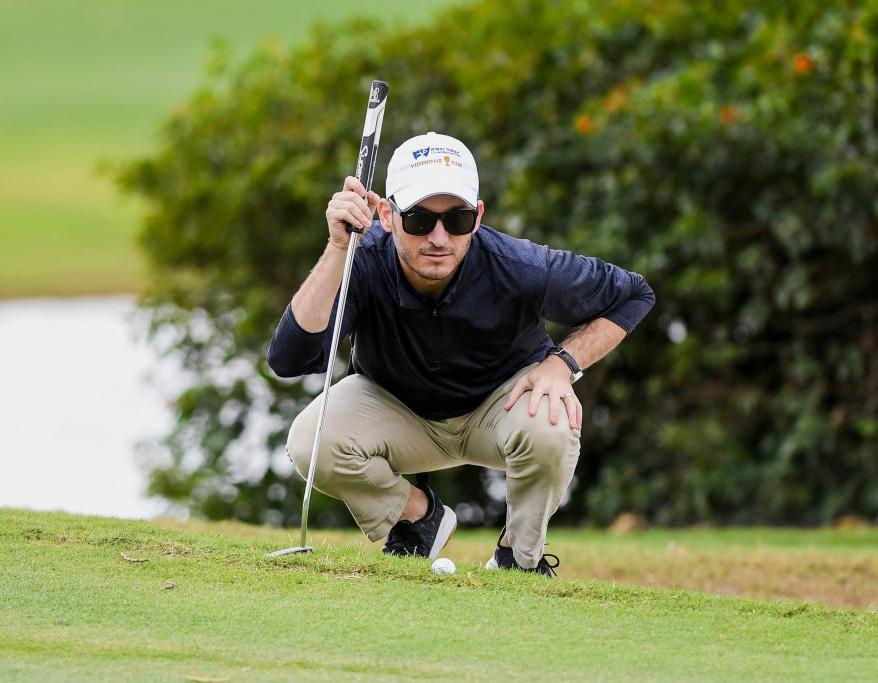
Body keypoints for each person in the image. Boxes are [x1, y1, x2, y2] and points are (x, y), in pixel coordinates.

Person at [268, 132, 655, 576]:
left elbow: (635, 295)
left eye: (458, 219)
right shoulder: (362, 258)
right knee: (309, 442)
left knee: (554, 420)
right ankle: (418, 519)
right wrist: (338, 249)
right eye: (419, 220)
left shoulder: (519, 265)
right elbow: (290, 360)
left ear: (478, 215)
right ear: (387, 215)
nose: (439, 238)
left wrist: (562, 364)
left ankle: (518, 558)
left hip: (501, 410)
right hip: (398, 410)